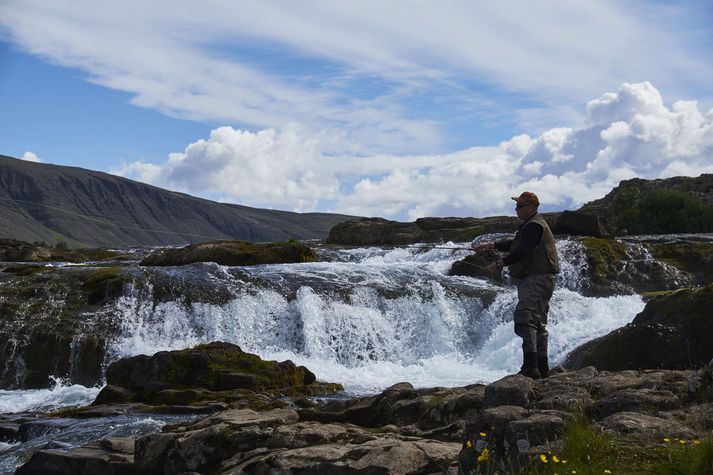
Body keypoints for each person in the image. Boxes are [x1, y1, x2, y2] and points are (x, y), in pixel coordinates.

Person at [471, 191, 560, 378]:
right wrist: (491, 245)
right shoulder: (531, 226)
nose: (516, 209)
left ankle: (530, 368)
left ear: (533, 207)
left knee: (525, 318)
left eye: (520, 206)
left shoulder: (534, 226)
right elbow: (516, 244)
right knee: (537, 322)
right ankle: (542, 368)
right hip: (541, 278)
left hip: (536, 278)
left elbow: (524, 251)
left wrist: (498, 264)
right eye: (516, 206)